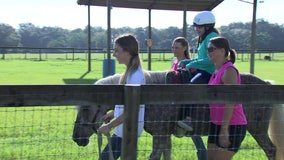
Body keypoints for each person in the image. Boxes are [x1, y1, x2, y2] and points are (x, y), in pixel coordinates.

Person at [98, 34, 145, 160]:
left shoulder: (135, 76)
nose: (114, 54)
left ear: (127, 51)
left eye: (117, 50)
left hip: (127, 130)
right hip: (125, 129)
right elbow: (129, 104)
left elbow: (133, 109)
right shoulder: (130, 73)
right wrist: (113, 114)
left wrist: (110, 126)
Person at [177, 10, 220, 132]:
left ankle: (188, 118)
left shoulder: (212, 38)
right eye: (196, 26)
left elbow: (210, 59)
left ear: (208, 26)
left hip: (209, 72)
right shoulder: (204, 37)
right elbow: (202, 58)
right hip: (203, 69)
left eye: (199, 26)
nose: (197, 29)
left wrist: (192, 63)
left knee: (192, 86)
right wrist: (187, 61)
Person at [207, 36, 247, 160]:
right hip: (215, 124)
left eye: (212, 49)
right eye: (208, 49)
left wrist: (224, 130)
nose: (208, 51)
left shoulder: (229, 71)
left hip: (232, 125)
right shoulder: (216, 70)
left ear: (223, 51)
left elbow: (231, 102)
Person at [169, 37, 207, 160]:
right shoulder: (174, 62)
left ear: (185, 48)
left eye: (177, 48)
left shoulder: (189, 64)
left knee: (192, 132)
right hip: (176, 100)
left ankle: (202, 154)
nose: (174, 50)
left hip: (186, 101)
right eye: (173, 47)